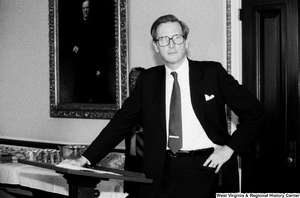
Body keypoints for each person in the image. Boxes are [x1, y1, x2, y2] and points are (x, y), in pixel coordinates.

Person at [60, 14, 264, 198]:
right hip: (158, 173)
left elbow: (254, 111)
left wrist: (229, 149)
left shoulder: (212, 73)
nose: (171, 45)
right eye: (163, 40)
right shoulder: (148, 80)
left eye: (177, 37)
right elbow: (121, 122)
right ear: (156, 46)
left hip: (204, 169)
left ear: (186, 41)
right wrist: (86, 159)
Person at [124, 67, 145, 198]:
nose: (133, 84)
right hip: (131, 161)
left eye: (137, 80)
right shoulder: (127, 104)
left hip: (148, 161)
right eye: (131, 81)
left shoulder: (155, 103)